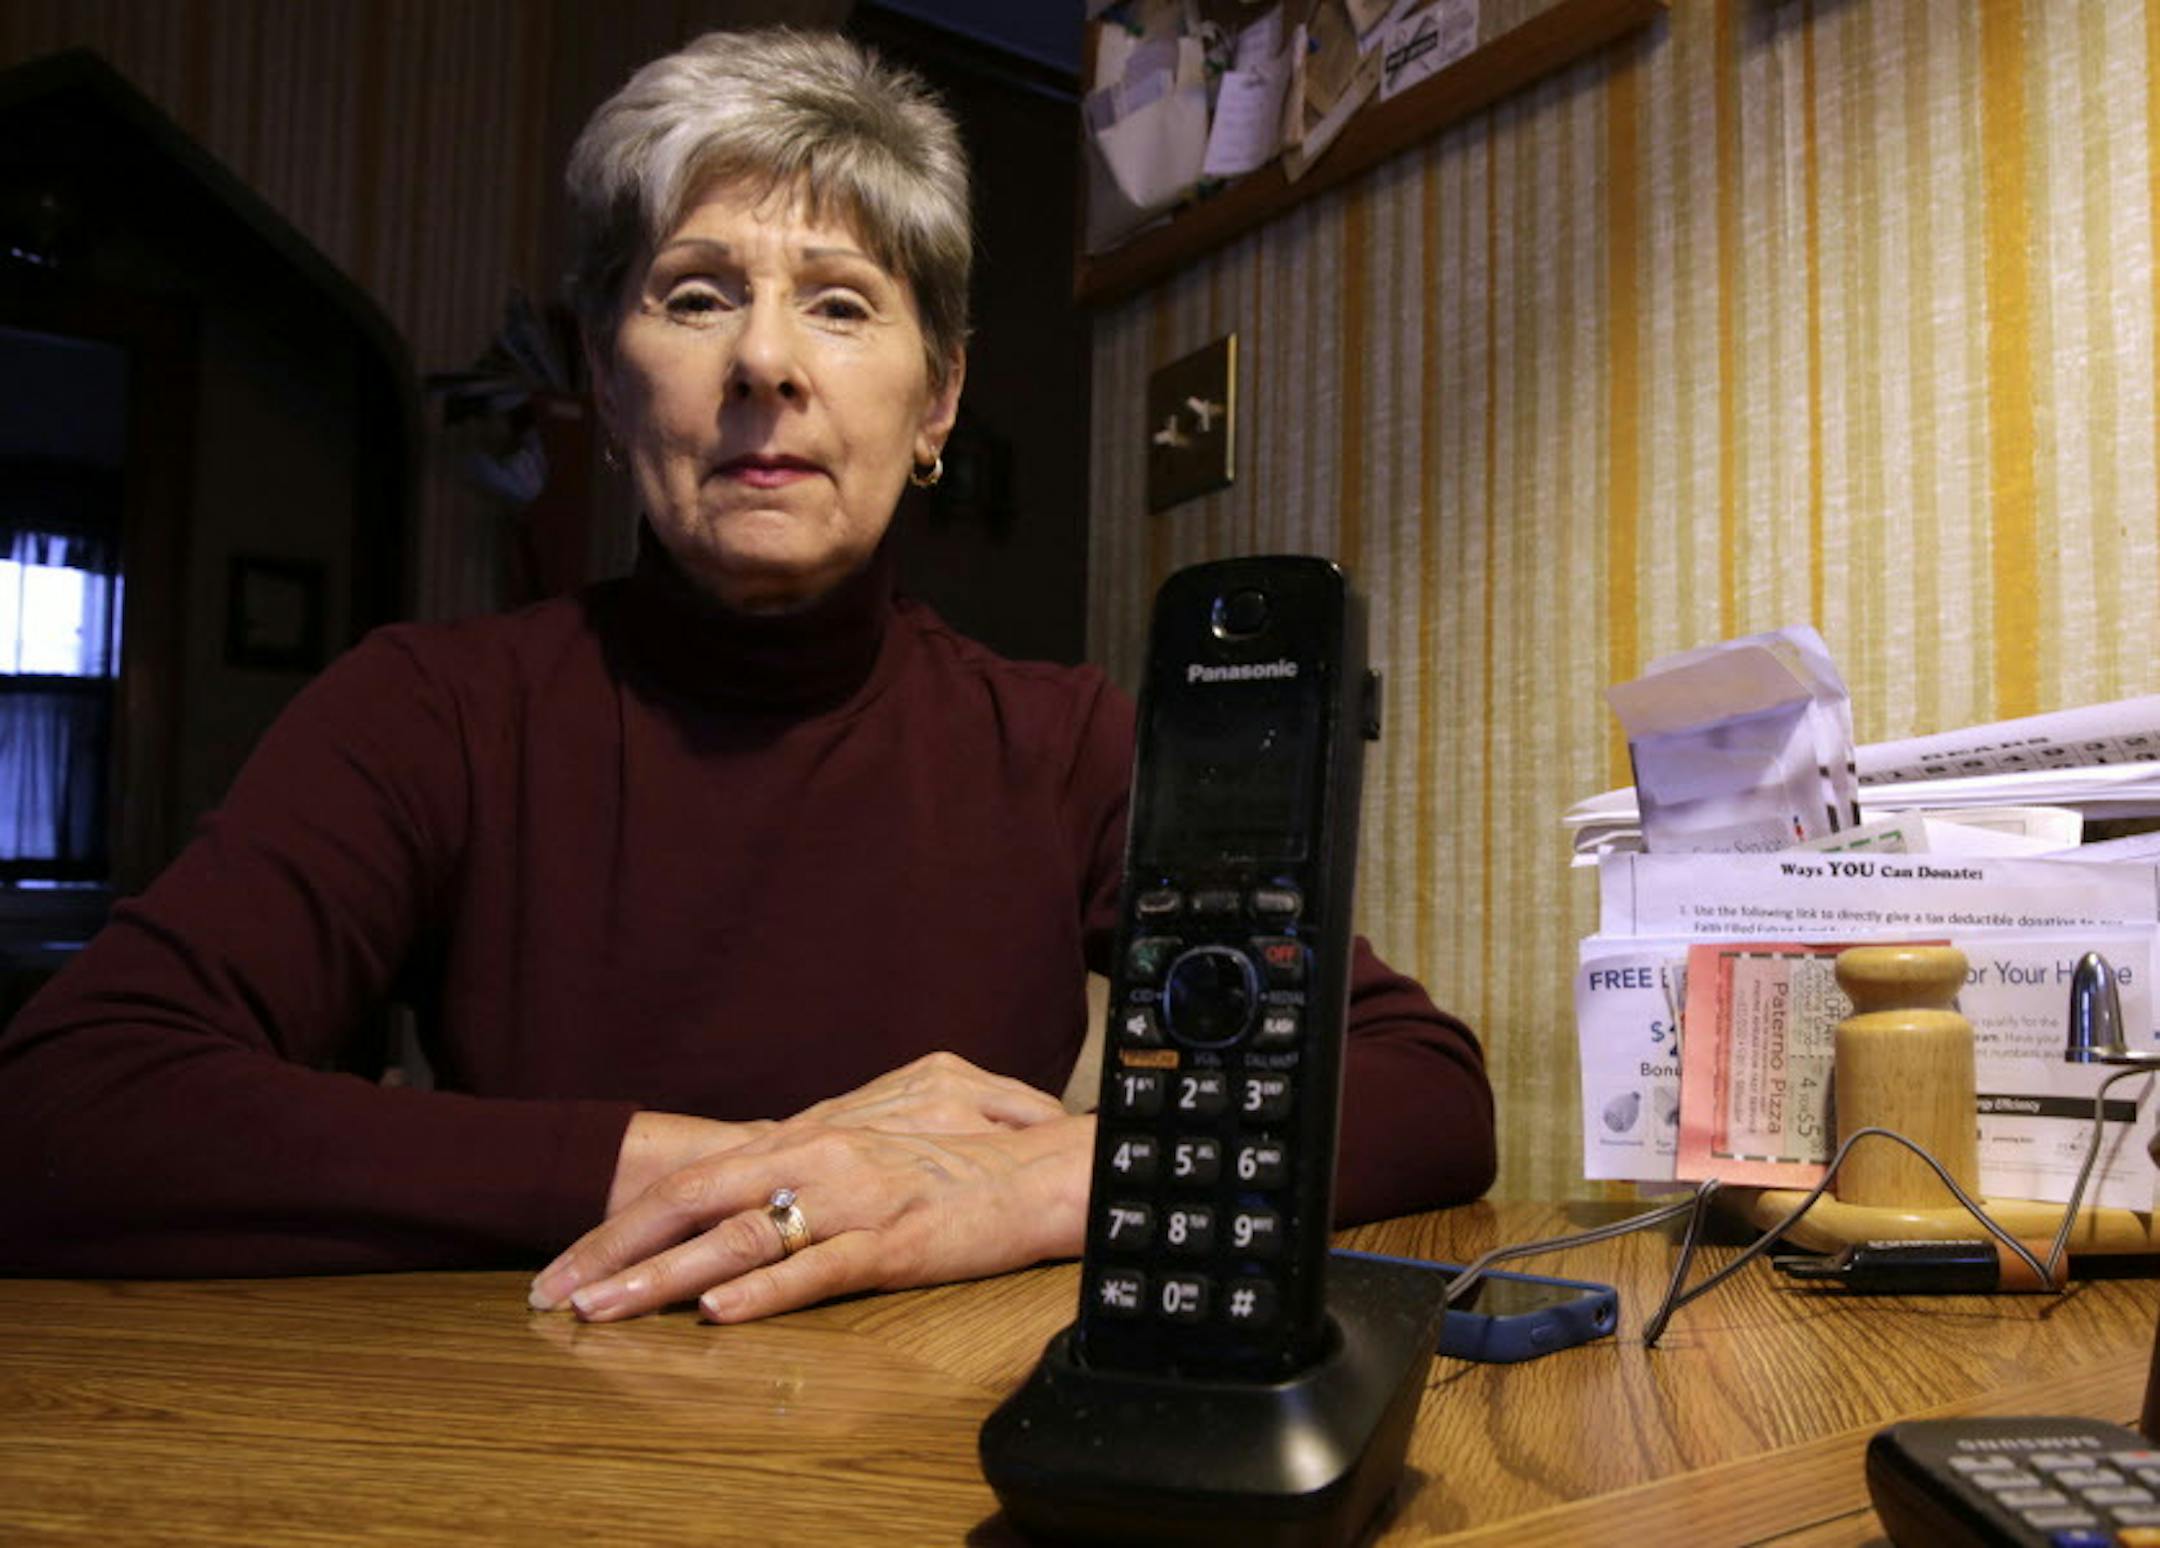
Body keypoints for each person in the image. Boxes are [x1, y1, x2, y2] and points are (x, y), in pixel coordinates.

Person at [0, 29, 1493, 1321]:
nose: (767, 362)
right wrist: (750, 1171)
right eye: (698, 294)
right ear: (605, 367)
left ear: (938, 400)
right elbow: (63, 1111)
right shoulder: (438, 711)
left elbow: (1424, 1085)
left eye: (841, 305)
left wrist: (1022, 1184)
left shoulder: (1061, 742)